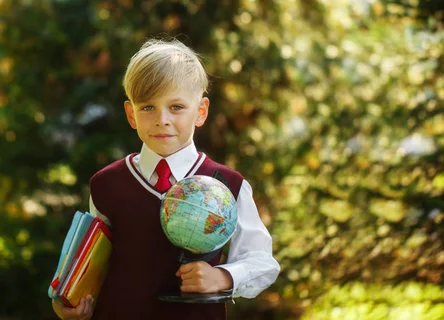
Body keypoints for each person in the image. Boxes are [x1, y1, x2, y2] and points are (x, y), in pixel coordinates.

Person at [52, 39, 280, 320]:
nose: (162, 119)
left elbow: (262, 261)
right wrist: (68, 302)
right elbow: (88, 262)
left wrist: (223, 277)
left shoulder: (227, 185)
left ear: (201, 111)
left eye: (176, 107)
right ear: (131, 114)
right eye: (148, 107)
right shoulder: (106, 184)